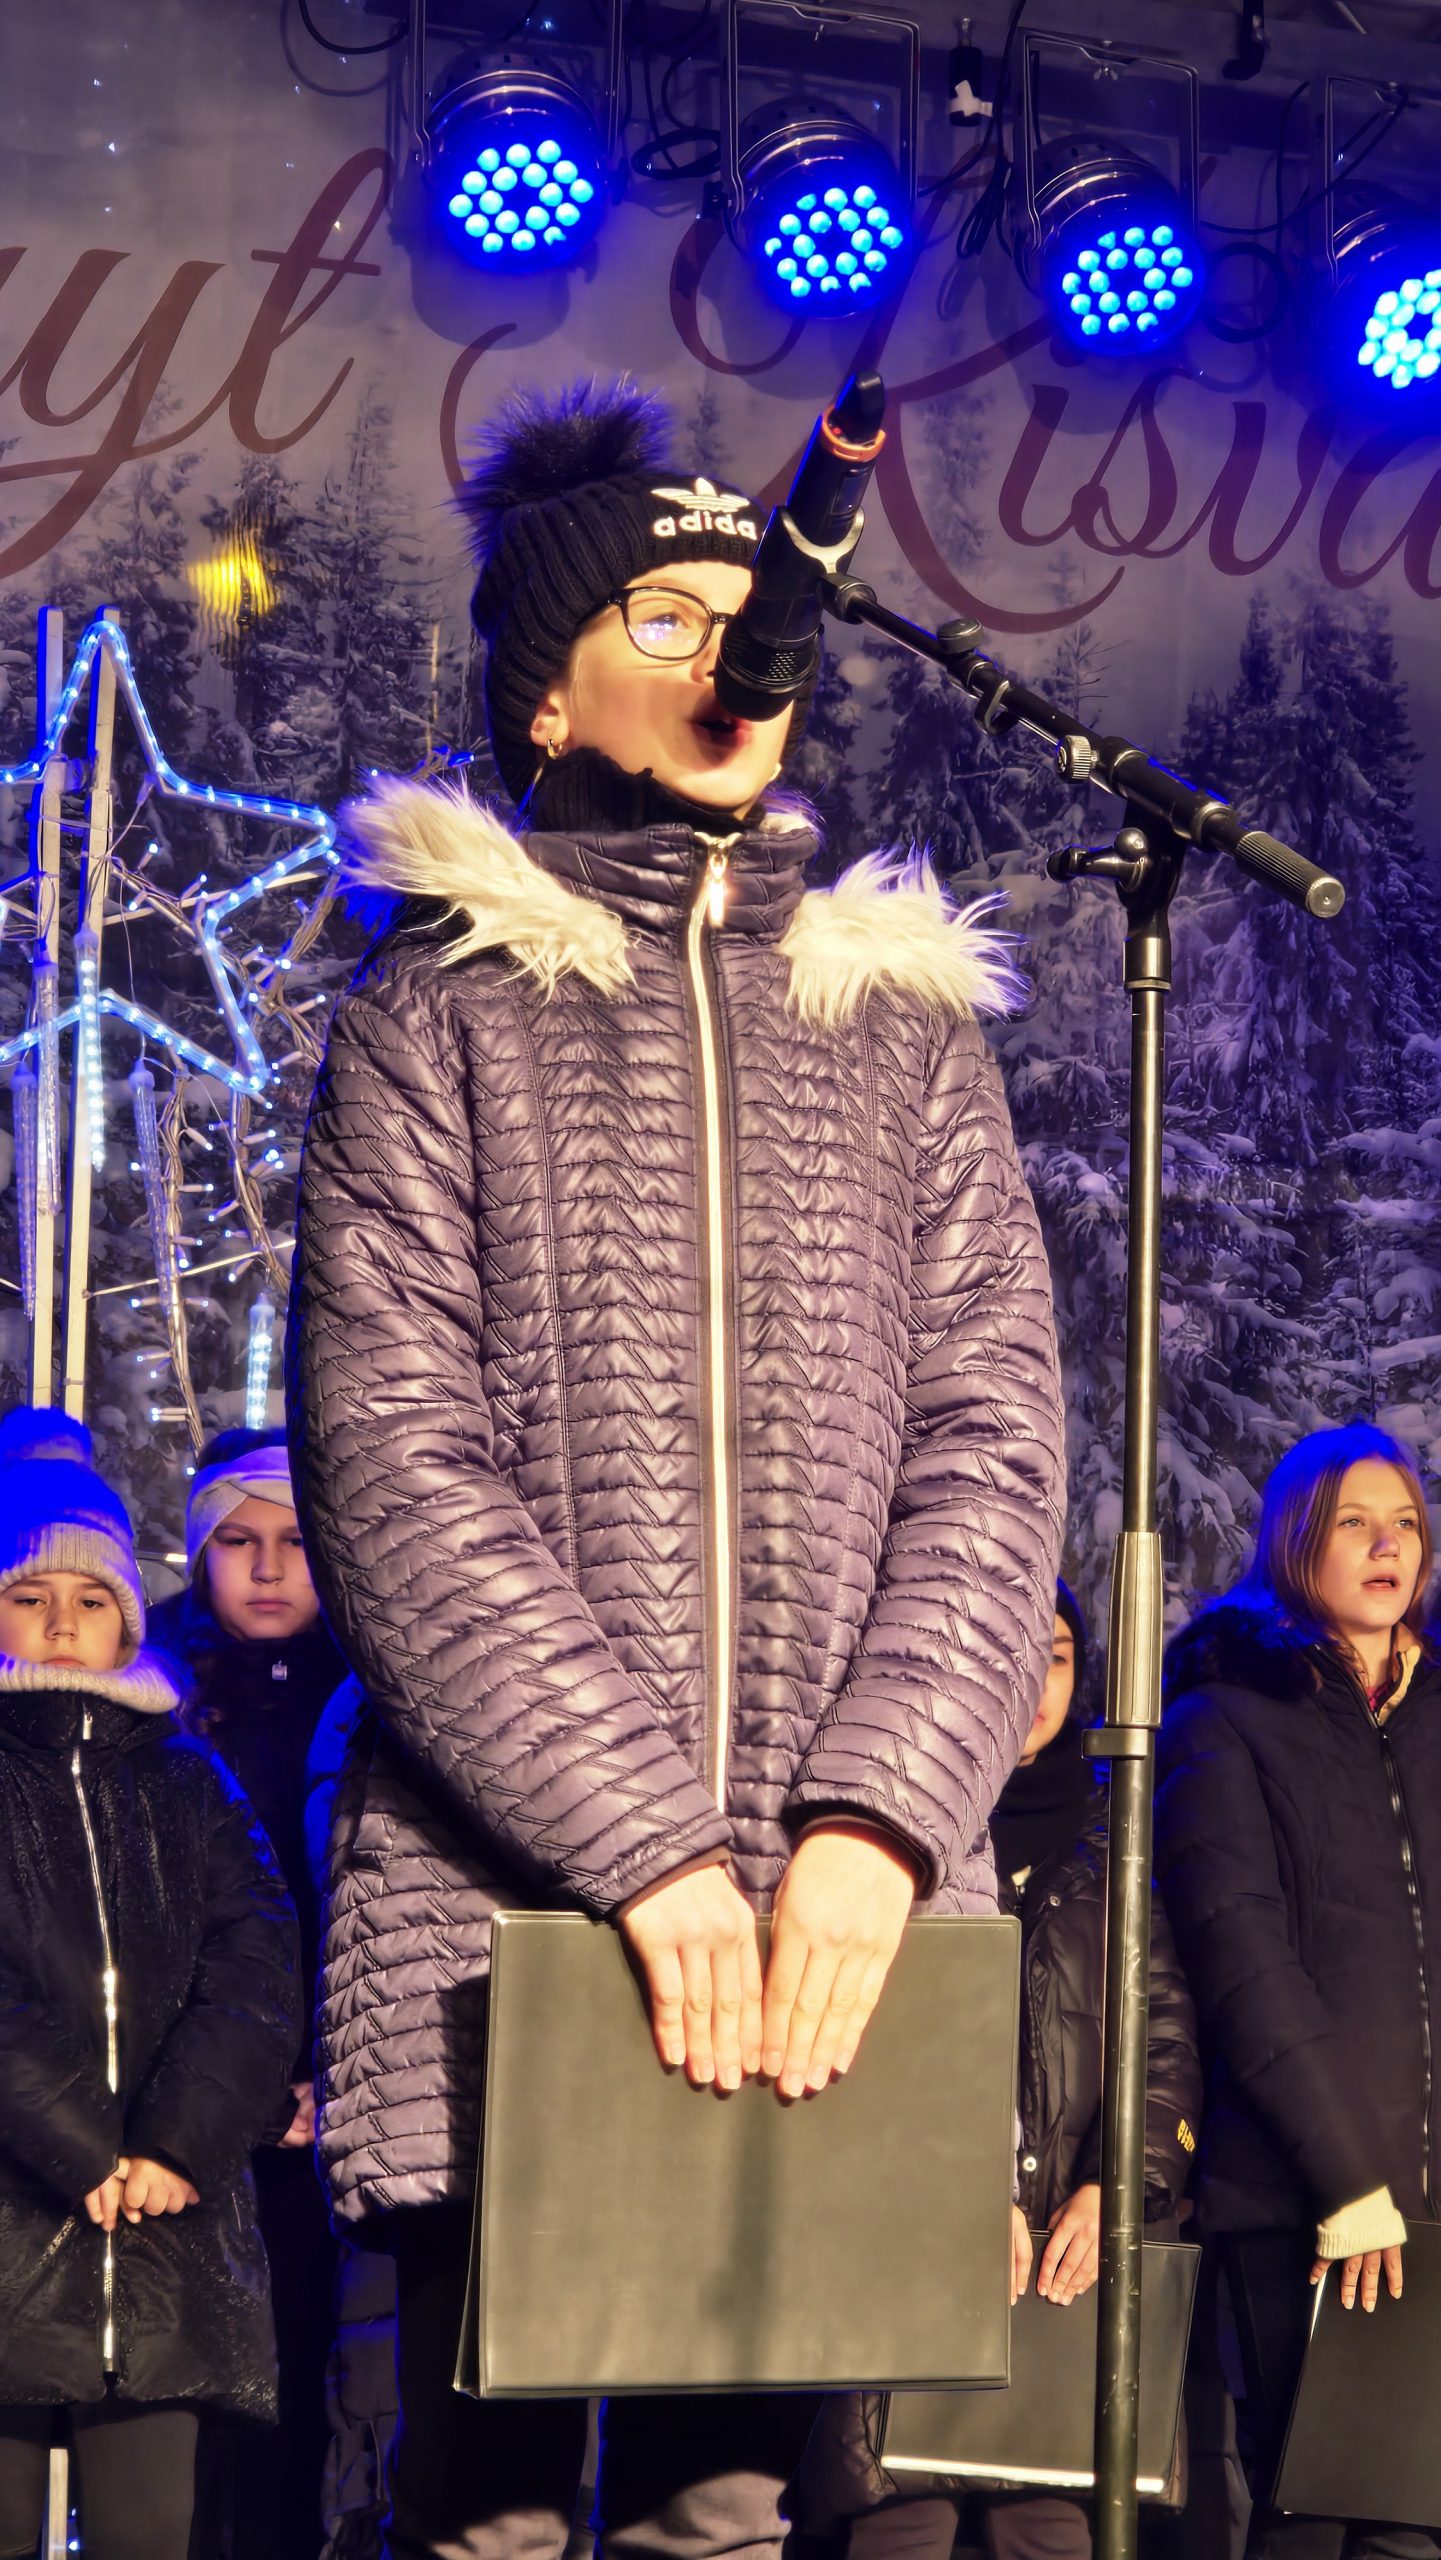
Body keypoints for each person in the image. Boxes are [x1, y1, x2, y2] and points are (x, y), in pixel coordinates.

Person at [287, 379, 1066, 2560]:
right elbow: (393, 1469)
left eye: (755, 614)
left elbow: (996, 1441)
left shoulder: (898, 1025)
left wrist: (877, 1817)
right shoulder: (438, 1010)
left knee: (730, 2517)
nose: (735, 649)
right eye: (666, 613)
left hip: (833, 1931)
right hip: (515, 1918)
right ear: (546, 686)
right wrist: (642, 1846)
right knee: (490, 2520)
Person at [795, 1584, 1201, 2560]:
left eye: (1054, 1656)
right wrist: (954, 2188)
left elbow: (1165, 2042)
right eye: (1010, 1651)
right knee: (899, 2517)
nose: (1031, 1681)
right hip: (904, 2240)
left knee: (1047, 2521)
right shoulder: (889, 1828)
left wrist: (1118, 2186)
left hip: (1065, 2256)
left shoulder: (1118, 1839)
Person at [0, 1409, 299, 2560]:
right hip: (20, 2208)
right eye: (30, 1595)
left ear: (127, 1614)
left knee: (148, 2529)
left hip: (165, 2229)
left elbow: (257, 1961)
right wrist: (84, 2148)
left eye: (91, 1598)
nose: (61, 1623)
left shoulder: (189, 1778)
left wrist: (175, 2143)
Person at [1155, 1421, 1441, 2559]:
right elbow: (1243, 1962)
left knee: (1412, 2530)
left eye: (1405, 1523)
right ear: (1295, 1541)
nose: (1387, 1546)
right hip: (1305, 2203)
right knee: (1312, 2520)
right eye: (1353, 1523)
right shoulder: (1225, 1716)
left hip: (1433, 2201)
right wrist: (1347, 2178)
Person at [150, 1427, 350, 2560]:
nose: (269, 1568)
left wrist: (333, 2071)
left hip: (334, 2095)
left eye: (295, 1540)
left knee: (308, 2369)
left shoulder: (369, 1687)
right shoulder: (154, 1698)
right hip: (190, 2102)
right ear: (199, 1552)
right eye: (237, 1541)